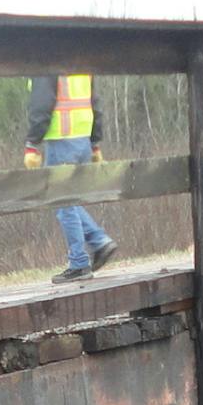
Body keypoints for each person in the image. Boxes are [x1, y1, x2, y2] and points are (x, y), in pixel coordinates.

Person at [24, 73, 118, 283]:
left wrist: (32, 143)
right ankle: (99, 241)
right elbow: (95, 104)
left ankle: (79, 263)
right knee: (69, 201)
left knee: (63, 202)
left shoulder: (46, 63)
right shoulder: (81, 61)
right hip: (82, 139)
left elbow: (41, 105)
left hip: (61, 140)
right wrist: (94, 142)